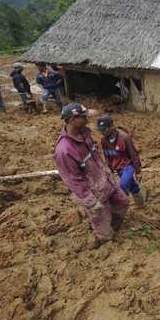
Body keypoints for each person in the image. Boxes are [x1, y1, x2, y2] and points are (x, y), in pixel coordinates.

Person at [53, 102, 130, 246]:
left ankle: (113, 225)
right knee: (104, 229)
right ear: (71, 120)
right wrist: (91, 202)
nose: (87, 118)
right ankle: (105, 241)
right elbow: (73, 180)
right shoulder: (64, 151)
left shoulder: (85, 133)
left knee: (123, 203)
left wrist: (109, 176)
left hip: (106, 182)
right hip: (94, 193)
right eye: (83, 116)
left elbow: (96, 157)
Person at [96, 115, 146, 207]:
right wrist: (109, 170)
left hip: (128, 166)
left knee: (122, 186)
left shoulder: (124, 137)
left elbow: (134, 154)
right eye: (100, 130)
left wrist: (138, 171)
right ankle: (141, 204)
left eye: (104, 130)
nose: (102, 132)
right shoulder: (103, 140)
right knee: (132, 185)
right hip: (117, 168)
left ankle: (120, 208)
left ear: (112, 127)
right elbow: (107, 156)